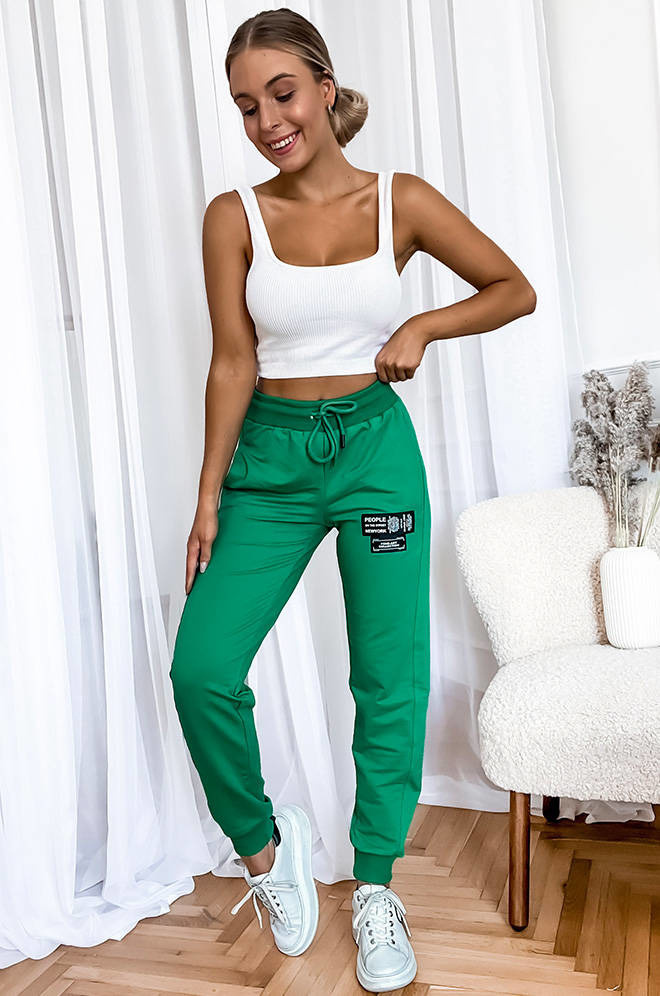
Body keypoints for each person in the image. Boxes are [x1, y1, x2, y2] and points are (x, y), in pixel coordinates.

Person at [169, 8, 536, 992]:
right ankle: (266, 852)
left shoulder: (398, 201)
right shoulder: (233, 217)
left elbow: (512, 288)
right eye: (247, 106)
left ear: (325, 89)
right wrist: (207, 497)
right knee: (201, 668)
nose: (267, 121)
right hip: (270, 460)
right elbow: (232, 361)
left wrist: (423, 325)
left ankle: (376, 887)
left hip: (375, 452)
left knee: (388, 677)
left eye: (282, 94)